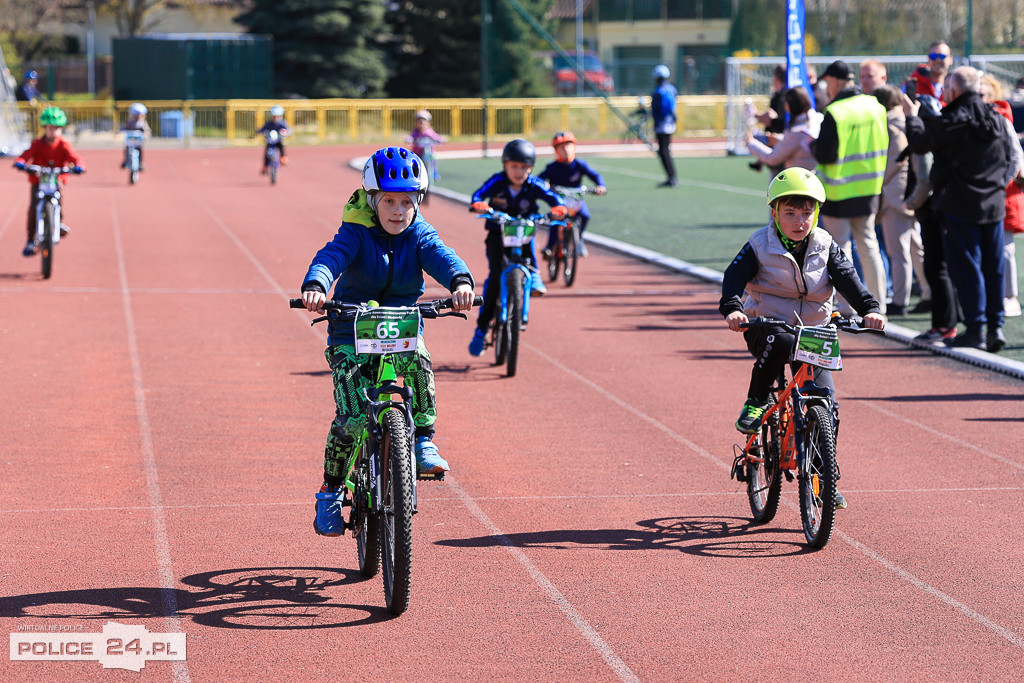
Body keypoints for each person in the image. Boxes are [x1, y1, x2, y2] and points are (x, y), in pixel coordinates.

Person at [298, 147, 475, 536]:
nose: (398, 210)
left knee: (421, 364)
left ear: (418, 203)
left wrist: (460, 281)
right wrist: (316, 285)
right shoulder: (356, 231)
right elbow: (332, 256)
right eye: (389, 201)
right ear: (373, 200)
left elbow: (440, 255)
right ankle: (329, 493)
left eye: (407, 202)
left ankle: (424, 440)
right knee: (352, 417)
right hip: (350, 329)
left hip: (401, 325)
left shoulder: (418, 233)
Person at [720, 169, 885, 511]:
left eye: (806, 212)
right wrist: (734, 309)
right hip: (767, 326)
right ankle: (757, 400)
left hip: (814, 330)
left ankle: (824, 478)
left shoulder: (825, 244)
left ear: (817, 213)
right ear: (774, 214)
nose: (799, 221)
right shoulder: (758, 245)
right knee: (779, 339)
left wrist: (870, 307)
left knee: (828, 404)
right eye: (790, 213)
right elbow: (733, 277)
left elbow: (849, 279)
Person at [904, 66, 1014, 352]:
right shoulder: (997, 119)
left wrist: (912, 117)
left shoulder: (951, 121)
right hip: (993, 204)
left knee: (967, 268)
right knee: (993, 267)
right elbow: (1010, 157)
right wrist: (999, 185)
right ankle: (996, 326)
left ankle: (976, 328)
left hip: (960, 206)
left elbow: (918, 143)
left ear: (953, 91)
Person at [467, 139, 568, 356]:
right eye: (514, 166)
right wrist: (479, 204)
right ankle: (481, 329)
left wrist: (559, 207)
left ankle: (533, 272)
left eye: (524, 167)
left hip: (523, 232)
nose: (519, 171)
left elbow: (554, 198)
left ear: (531, 168)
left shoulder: (534, 185)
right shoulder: (497, 181)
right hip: (498, 234)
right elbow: (478, 195)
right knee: (494, 278)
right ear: (505, 165)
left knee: (527, 237)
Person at [812, 59, 890, 316]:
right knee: (869, 247)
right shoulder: (875, 106)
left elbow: (825, 154)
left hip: (838, 191)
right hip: (869, 189)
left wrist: (812, 146)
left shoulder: (835, 112)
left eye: (827, 83)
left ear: (835, 82)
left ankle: (847, 307)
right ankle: (878, 304)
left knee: (842, 251)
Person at [903, 94, 961, 341]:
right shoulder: (943, 132)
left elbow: (924, 178)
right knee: (943, 267)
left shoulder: (927, 138)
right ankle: (950, 321)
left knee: (937, 267)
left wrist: (911, 202)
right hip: (943, 207)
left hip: (932, 209)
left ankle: (944, 325)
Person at [873, 85, 929, 317]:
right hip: (909, 193)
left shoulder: (888, 124)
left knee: (899, 251)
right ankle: (928, 292)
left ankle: (899, 299)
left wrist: (877, 184)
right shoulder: (905, 119)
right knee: (915, 247)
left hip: (895, 194)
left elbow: (893, 160)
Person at [979, 75, 1024, 319]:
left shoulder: (1001, 117)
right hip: (986, 194)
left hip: (1002, 194)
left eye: (984, 94)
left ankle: (1010, 297)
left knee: (1005, 249)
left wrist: (1003, 180)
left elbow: (1016, 157)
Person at [12, 106, 84, 257]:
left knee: (59, 197)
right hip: (38, 181)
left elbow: (75, 158)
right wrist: (20, 162)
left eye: (56, 128)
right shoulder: (38, 144)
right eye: (50, 128)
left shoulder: (64, 144)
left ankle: (58, 223)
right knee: (33, 208)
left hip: (56, 179)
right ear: (44, 128)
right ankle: (30, 239)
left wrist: (79, 166)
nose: (53, 131)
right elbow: (26, 155)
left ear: (61, 129)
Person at [538, 130, 607, 258]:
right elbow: (539, 179)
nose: (566, 150)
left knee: (585, 216)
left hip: (576, 198)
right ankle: (549, 246)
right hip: (559, 199)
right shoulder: (553, 167)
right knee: (557, 219)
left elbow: (595, 175)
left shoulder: (579, 165)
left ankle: (578, 239)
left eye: (569, 146)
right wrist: (544, 185)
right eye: (562, 147)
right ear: (556, 150)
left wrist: (600, 186)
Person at [744, 87, 822, 173]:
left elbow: (772, 158)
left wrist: (751, 143)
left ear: (790, 105)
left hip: (800, 179)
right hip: (817, 176)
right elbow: (803, 142)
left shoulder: (796, 132)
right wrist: (781, 139)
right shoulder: (818, 119)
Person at [749, 65, 787, 175]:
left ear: (776, 78)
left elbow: (778, 126)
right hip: (779, 152)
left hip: (784, 155)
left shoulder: (785, 97)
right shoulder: (777, 97)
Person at [650, 64, 678, 187]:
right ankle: (671, 176)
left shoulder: (658, 92)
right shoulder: (672, 89)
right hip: (670, 123)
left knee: (664, 151)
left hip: (661, 124)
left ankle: (671, 177)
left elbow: (656, 110)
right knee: (665, 150)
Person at [256, 105, 290, 173]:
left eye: (277, 116)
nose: (276, 118)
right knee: (267, 152)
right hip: (270, 141)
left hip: (278, 140)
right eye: (274, 116)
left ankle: (283, 157)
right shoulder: (269, 123)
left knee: (281, 146)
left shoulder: (282, 123)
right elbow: (262, 129)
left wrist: (285, 133)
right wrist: (259, 131)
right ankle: (265, 166)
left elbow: (288, 130)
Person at [120, 102, 151, 171]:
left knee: (140, 150)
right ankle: (126, 160)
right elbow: (124, 127)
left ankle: (140, 163)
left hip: (138, 141)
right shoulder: (130, 122)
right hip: (130, 140)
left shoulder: (142, 123)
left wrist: (146, 134)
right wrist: (120, 131)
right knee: (127, 148)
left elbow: (147, 130)